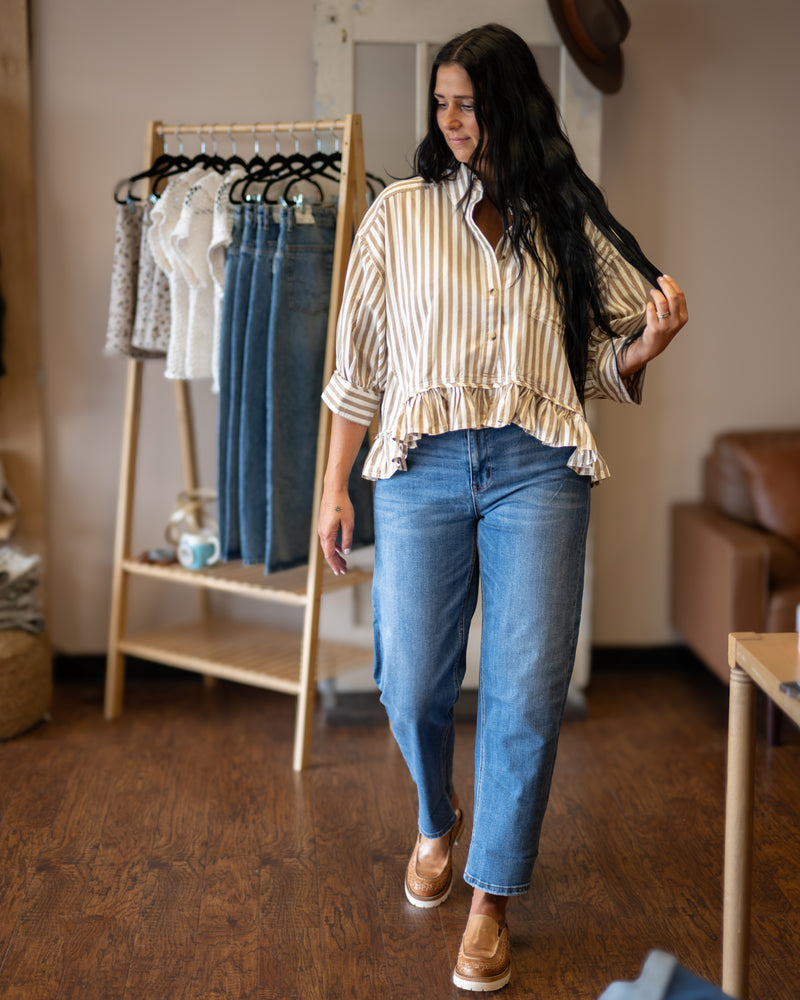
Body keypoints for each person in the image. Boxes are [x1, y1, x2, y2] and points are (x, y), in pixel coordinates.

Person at [318, 22, 688, 993]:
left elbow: (593, 360)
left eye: (470, 105)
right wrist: (332, 489)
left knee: (526, 690)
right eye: (441, 103)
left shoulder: (561, 215)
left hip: (538, 468)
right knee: (409, 681)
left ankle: (490, 899)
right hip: (421, 467)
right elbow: (356, 369)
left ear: (509, 108)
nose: (452, 122)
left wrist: (646, 345)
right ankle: (436, 819)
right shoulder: (397, 214)